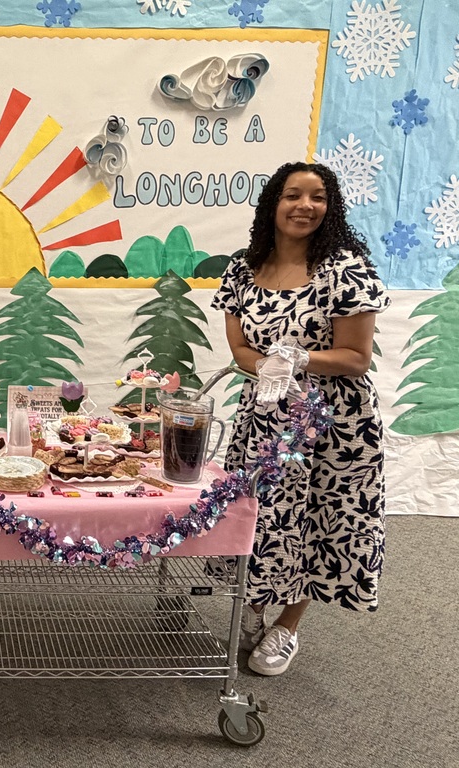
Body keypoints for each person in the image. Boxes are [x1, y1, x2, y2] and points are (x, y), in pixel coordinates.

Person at [211, 161, 390, 676]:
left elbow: (355, 357)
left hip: (335, 426)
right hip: (265, 418)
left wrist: (300, 359)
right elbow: (241, 348)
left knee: (317, 520)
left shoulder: (346, 270)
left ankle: (287, 626)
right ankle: (254, 605)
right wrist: (271, 369)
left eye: (318, 197)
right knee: (260, 516)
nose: (304, 206)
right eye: (293, 195)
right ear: (274, 203)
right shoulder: (244, 268)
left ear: (330, 207)